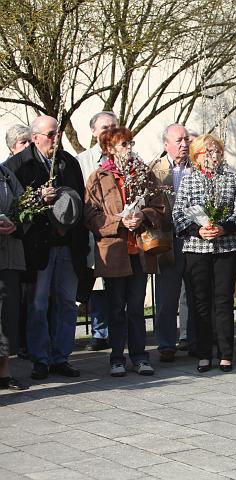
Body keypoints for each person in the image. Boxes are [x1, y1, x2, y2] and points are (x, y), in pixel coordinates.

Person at [5, 115, 89, 381]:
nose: (55, 139)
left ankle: (61, 357)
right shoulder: (18, 164)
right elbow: (15, 208)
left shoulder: (69, 162)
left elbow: (80, 203)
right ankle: (40, 358)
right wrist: (38, 199)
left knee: (66, 302)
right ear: (35, 137)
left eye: (57, 133)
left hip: (68, 245)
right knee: (38, 304)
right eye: (50, 134)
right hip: (38, 247)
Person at [84, 127, 165, 377]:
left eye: (131, 143)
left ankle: (140, 356)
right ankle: (117, 356)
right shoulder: (99, 177)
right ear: (109, 149)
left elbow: (160, 208)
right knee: (116, 307)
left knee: (137, 308)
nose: (129, 148)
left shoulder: (143, 174)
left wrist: (142, 215)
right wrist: (118, 222)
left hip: (140, 251)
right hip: (115, 252)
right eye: (123, 145)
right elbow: (90, 215)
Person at [173, 134, 236, 372]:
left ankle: (226, 353)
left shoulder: (230, 178)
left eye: (216, 151)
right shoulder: (189, 179)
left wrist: (224, 228)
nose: (212, 156)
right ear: (196, 157)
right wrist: (198, 230)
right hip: (197, 249)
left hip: (225, 247)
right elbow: (178, 214)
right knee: (201, 302)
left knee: (223, 301)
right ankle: (204, 353)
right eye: (207, 152)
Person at [149, 123, 194, 362]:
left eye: (186, 139)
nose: (184, 144)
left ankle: (194, 339)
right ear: (166, 144)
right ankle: (166, 343)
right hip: (168, 239)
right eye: (178, 140)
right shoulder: (154, 170)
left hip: (195, 238)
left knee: (196, 293)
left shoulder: (198, 166)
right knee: (167, 296)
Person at [77, 111, 118, 352]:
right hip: (92, 230)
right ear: (93, 131)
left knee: (116, 282)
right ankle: (99, 332)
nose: (109, 131)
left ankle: (115, 329)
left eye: (113, 126)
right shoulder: (82, 160)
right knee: (96, 284)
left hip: (118, 231)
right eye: (104, 127)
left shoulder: (126, 158)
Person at [0, 163, 28, 390]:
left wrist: (15, 223)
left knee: (8, 315)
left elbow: (23, 206)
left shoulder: (5, 174)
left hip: (9, 258)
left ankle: (4, 373)